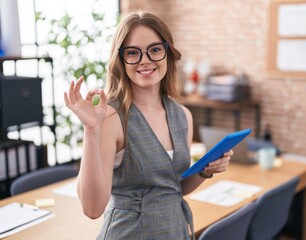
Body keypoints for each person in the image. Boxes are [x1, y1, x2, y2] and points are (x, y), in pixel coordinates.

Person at [64, 11, 233, 240]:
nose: (145, 60)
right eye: (133, 52)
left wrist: (205, 170)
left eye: (155, 49)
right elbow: (92, 209)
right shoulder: (111, 119)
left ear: (168, 53)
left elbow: (173, 189)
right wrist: (92, 130)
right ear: (121, 60)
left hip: (176, 231)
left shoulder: (182, 115)